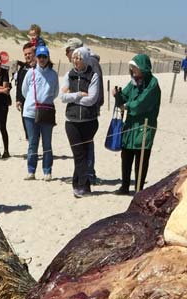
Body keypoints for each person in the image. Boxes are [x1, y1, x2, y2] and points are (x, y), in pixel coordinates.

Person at [113, 54, 161, 195]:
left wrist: (126, 106)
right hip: (130, 125)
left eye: (135, 67)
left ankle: (139, 189)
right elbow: (126, 95)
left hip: (144, 126)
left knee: (141, 157)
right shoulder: (134, 81)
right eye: (132, 68)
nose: (133, 70)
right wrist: (118, 96)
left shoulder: (153, 83)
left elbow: (142, 103)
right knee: (126, 155)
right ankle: (125, 186)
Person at [60, 46, 102, 197]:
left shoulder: (93, 75)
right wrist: (78, 94)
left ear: (85, 59)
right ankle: (81, 186)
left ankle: (80, 185)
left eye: (79, 58)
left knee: (84, 153)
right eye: (74, 58)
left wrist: (73, 97)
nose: (76, 61)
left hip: (89, 120)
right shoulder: (68, 75)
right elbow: (62, 97)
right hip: (71, 121)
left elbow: (92, 99)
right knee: (78, 154)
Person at [21, 44, 59, 180]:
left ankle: (47, 171)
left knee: (47, 143)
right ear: (36, 58)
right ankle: (31, 170)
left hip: (47, 112)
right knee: (32, 143)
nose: (42, 59)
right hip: (30, 113)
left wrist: (44, 103)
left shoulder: (53, 75)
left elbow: (55, 92)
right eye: (39, 56)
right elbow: (24, 91)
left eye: (44, 57)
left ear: (48, 58)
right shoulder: (30, 73)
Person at [14, 41, 36, 147]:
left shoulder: (39, 66)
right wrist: (18, 99)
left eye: (29, 53)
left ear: (34, 53)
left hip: (37, 103)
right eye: (25, 54)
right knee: (27, 127)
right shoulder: (23, 68)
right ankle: (31, 146)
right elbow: (19, 85)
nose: (27, 56)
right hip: (25, 103)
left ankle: (33, 147)